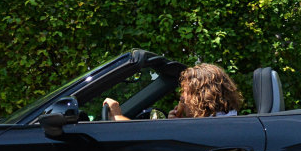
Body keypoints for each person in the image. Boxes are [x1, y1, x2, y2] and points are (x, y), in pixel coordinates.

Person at [103, 62, 243, 121]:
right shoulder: (224, 120)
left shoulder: (214, 125)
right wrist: (177, 124)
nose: (182, 97)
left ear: (202, 95)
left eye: (186, 92)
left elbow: (150, 138)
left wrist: (117, 116)